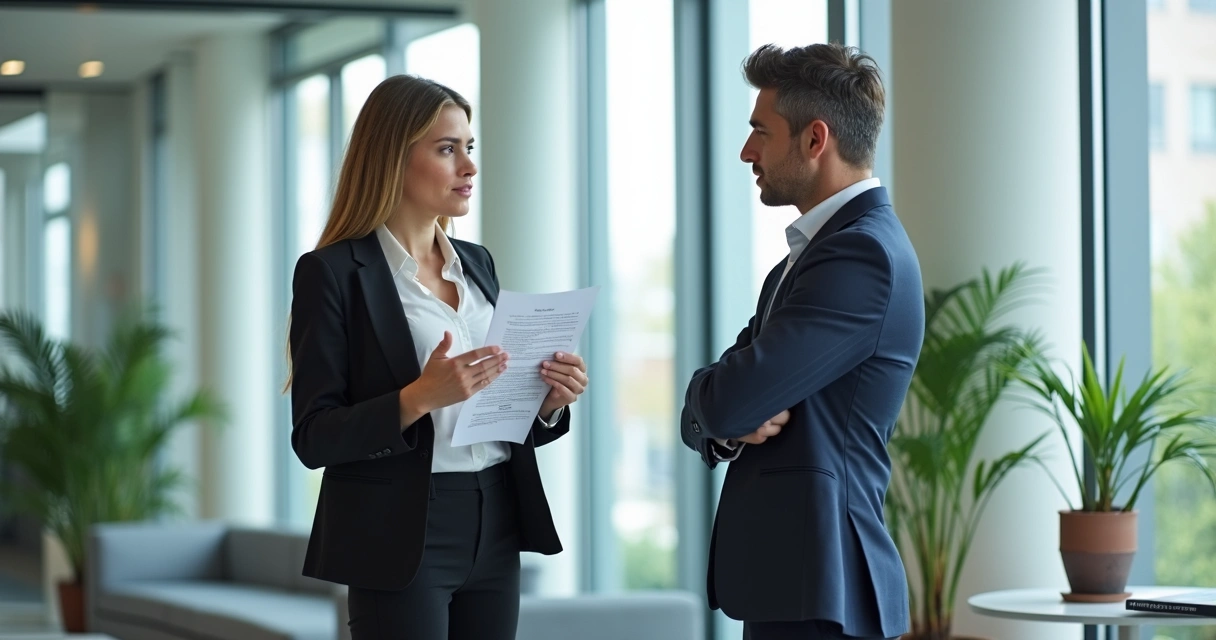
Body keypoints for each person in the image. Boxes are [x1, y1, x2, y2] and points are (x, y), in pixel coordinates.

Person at [286, 75, 589, 640]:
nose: (469, 167)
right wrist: (418, 398)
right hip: (401, 531)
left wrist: (546, 401)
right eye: (448, 149)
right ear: (391, 159)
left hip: (496, 517)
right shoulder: (331, 273)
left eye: (469, 148)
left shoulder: (477, 263)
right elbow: (314, 436)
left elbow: (494, 410)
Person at [679, 43, 924, 640]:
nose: (746, 151)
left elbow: (730, 398)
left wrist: (722, 410)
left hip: (824, 586)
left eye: (760, 131)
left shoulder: (858, 254)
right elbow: (720, 402)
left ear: (816, 140)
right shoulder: (812, 255)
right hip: (801, 582)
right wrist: (718, 412)